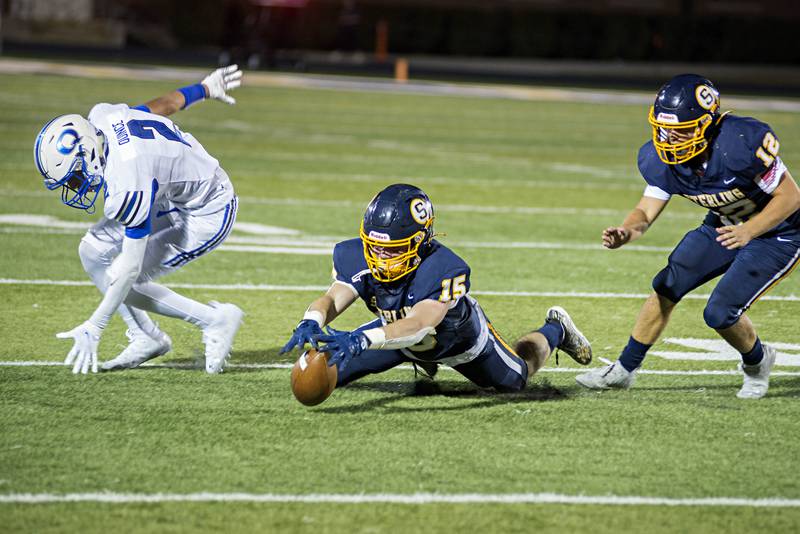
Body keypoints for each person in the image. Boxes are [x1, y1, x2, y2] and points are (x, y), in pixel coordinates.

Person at [576, 74, 800, 399]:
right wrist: (627, 231)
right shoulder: (661, 160)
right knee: (666, 285)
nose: (669, 138)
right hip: (724, 226)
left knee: (719, 313)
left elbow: (791, 197)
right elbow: (645, 212)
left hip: (778, 234)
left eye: (680, 131)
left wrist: (749, 231)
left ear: (706, 124)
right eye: (665, 129)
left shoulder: (740, 142)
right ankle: (624, 370)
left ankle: (757, 362)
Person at [281, 184, 592, 395]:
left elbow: (420, 325)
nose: (381, 257)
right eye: (375, 247)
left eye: (393, 249)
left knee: (517, 379)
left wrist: (365, 338)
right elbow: (334, 297)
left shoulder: (443, 267)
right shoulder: (358, 255)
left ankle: (556, 330)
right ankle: (419, 360)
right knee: (326, 372)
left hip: (456, 337)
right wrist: (311, 320)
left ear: (419, 241)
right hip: (395, 330)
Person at [34, 65, 246, 375]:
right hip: (171, 192)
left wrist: (96, 325)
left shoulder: (126, 182)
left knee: (121, 276)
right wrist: (202, 89)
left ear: (88, 151)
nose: (75, 186)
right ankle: (145, 336)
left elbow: (130, 269)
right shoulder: (103, 119)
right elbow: (159, 107)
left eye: (74, 177)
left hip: (209, 209)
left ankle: (215, 319)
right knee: (92, 250)